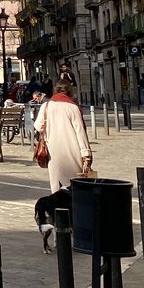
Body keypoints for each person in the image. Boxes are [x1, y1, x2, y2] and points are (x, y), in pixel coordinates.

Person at [34, 73, 92, 252]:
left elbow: (37, 126)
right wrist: (86, 154)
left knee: (56, 195)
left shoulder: (47, 105)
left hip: (54, 155)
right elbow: (80, 132)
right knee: (74, 197)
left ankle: (60, 237)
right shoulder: (72, 108)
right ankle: (77, 234)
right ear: (70, 92)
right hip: (72, 152)